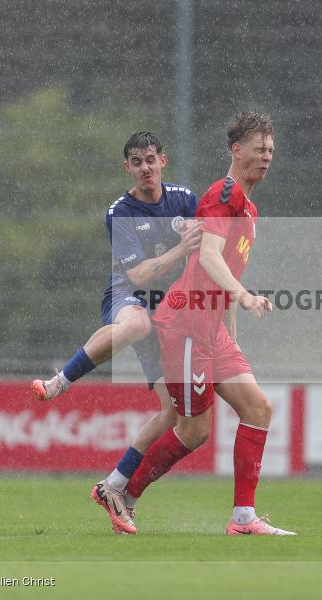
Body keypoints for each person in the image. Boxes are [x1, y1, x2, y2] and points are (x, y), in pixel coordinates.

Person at [118, 111, 295, 536]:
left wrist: (230, 322)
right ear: (237, 150)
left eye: (271, 150)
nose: (267, 156)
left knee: (258, 409)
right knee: (194, 431)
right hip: (184, 326)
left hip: (210, 328)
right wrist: (245, 296)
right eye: (259, 149)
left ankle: (243, 518)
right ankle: (126, 494)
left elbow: (221, 265)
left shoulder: (247, 205)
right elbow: (211, 256)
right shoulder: (224, 193)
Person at [31, 131, 202, 535]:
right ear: (128, 167)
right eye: (137, 162)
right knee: (136, 322)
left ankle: (113, 486)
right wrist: (180, 249)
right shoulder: (120, 211)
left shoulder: (184, 199)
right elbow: (140, 274)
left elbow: (205, 254)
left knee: (175, 412)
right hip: (128, 294)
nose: (146, 168)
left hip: (170, 308)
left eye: (151, 159)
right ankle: (60, 381)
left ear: (164, 160)